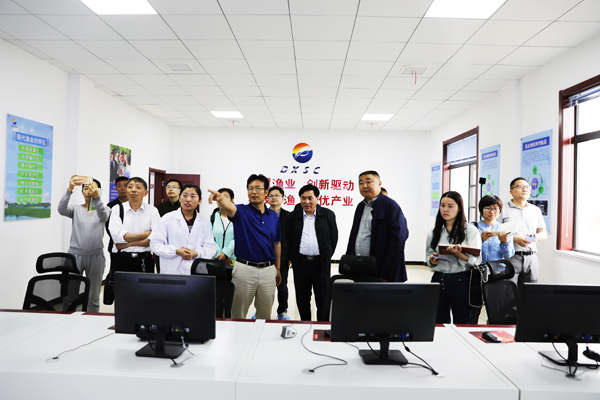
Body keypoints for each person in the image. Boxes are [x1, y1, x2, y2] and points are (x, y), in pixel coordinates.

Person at [208, 174, 281, 320]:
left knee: (265, 316)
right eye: (250, 188)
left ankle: (260, 335)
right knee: (238, 314)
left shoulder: (273, 216)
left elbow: (277, 243)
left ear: (266, 192)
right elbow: (229, 206)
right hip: (244, 270)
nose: (253, 192)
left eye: (258, 188)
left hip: (268, 271)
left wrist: (277, 268)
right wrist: (220, 198)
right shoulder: (241, 211)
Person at [426, 191, 482, 324]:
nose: (445, 209)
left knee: (462, 322)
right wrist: (432, 260)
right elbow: (428, 255)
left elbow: (476, 260)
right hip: (438, 279)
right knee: (439, 323)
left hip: (461, 280)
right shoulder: (434, 232)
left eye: (450, 206)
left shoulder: (470, 230)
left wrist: (459, 254)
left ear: (459, 208)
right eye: (442, 205)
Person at [286, 184, 338, 321]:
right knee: (302, 299)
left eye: (310, 198)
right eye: (303, 198)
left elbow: (333, 239)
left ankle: (322, 326)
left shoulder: (328, 215)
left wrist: (326, 256)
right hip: (301, 264)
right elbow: (288, 239)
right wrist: (292, 257)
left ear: (317, 198)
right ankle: (305, 325)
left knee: (323, 300)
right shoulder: (293, 217)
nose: (306, 202)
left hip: (321, 264)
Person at [346, 171, 409, 282]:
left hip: (381, 269)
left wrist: (386, 272)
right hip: (360, 266)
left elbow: (398, 241)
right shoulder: (360, 206)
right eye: (361, 183)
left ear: (379, 183)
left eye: (368, 182)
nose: (364, 186)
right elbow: (354, 236)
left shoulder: (391, 206)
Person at [58, 175, 109, 312]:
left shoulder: (104, 210)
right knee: (70, 295)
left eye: (92, 188)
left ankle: (92, 320)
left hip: (96, 257)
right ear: (82, 192)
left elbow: (104, 217)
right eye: (86, 188)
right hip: (74, 257)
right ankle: (68, 319)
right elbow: (61, 209)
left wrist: (97, 199)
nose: (89, 191)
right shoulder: (75, 209)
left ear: (99, 191)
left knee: (93, 296)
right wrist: (70, 189)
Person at [150, 184, 216, 275]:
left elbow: (210, 248)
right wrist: (176, 251)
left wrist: (196, 253)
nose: (188, 199)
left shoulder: (203, 222)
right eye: (184, 195)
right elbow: (155, 245)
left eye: (193, 196)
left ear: (199, 201)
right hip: (172, 272)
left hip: (196, 272)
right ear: (179, 198)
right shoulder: (167, 218)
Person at [500, 177, 547, 285]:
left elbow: (543, 233)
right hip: (509, 257)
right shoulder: (502, 209)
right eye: (520, 186)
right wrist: (513, 238)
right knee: (509, 291)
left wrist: (536, 236)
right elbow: (494, 232)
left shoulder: (535, 210)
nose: (525, 189)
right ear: (511, 191)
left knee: (531, 292)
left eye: (527, 187)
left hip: (531, 257)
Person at [109, 177, 160, 275]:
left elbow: (155, 239)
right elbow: (117, 237)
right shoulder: (117, 209)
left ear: (145, 193)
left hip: (145, 260)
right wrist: (145, 234)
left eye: (138, 187)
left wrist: (128, 244)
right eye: (130, 187)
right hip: (121, 259)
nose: (133, 190)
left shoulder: (152, 211)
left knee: (145, 285)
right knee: (120, 285)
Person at [268, 186, 291, 320]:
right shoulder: (262, 214)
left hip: (282, 257)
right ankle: (261, 310)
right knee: (264, 287)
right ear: (267, 198)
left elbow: (292, 238)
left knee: (282, 286)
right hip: (264, 256)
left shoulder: (289, 216)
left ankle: (282, 310)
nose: (274, 198)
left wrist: (290, 257)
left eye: (277, 195)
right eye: (271, 195)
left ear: (283, 198)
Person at [477, 195, 515, 263]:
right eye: (488, 208)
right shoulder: (474, 227)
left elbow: (509, 255)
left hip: (497, 268)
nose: (492, 212)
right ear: (481, 209)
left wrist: (504, 243)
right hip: (478, 268)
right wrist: (481, 240)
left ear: (500, 210)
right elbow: (469, 251)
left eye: (495, 209)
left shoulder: (505, 228)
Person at [211, 188, 236, 267]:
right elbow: (208, 239)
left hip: (232, 263)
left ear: (232, 199)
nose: (221, 199)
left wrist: (226, 253)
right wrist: (220, 255)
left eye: (225, 196)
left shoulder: (238, 218)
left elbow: (239, 238)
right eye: (219, 196)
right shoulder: (211, 219)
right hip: (214, 262)